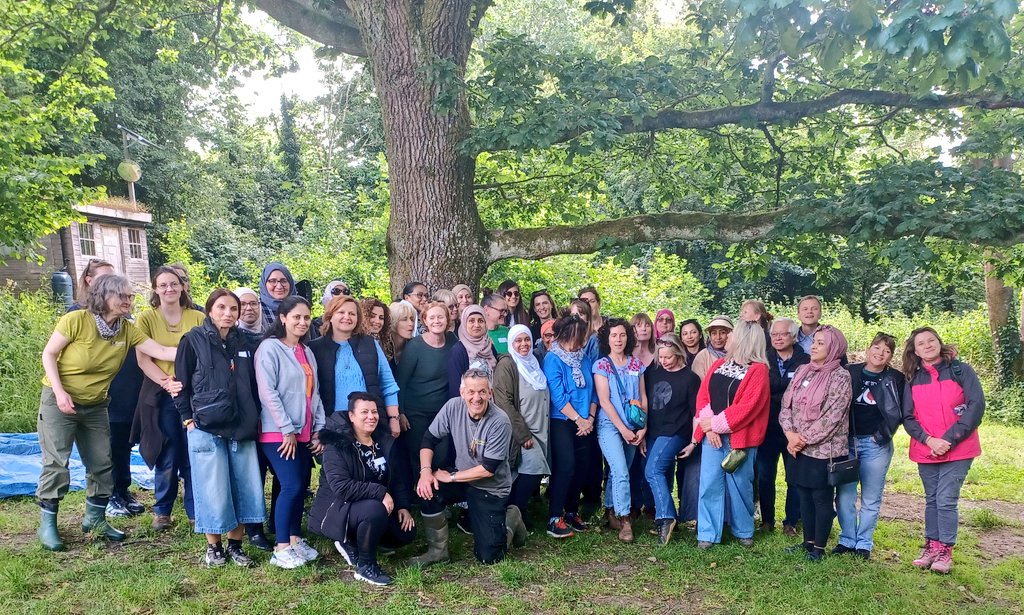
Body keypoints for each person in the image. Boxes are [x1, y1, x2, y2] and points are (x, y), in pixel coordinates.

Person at [36, 274, 176, 551]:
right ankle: (48, 524)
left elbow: (159, 350)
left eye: (130, 296)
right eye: (122, 296)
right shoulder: (76, 320)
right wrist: (60, 392)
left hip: (97, 404)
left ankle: (95, 519)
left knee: (102, 461)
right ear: (104, 296)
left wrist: (198, 343)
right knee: (57, 463)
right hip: (59, 400)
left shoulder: (126, 329)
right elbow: (49, 354)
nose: (128, 301)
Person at [174, 289, 265, 568]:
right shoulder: (192, 341)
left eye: (233, 309)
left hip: (241, 426)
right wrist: (188, 419)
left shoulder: (245, 342)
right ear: (210, 310)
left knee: (243, 486)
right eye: (222, 307)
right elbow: (181, 384)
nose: (228, 313)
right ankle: (214, 547)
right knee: (212, 488)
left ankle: (236, 545)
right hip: (205, 426)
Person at [411, 368, 524, 566]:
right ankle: (438, 551)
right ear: (462, 392)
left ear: (490, 393)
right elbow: (428, 440)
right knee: (426, 489)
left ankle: (511, 517)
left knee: (490, 557)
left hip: (490, 487)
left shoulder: (500, 421)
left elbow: (488, 468)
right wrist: (425, 472)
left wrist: (452, 477)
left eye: (482, 392)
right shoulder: (453, 406)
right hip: (462, 476)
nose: (476, 398)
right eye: (471, 392)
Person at [65, 259, 146, 519]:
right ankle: (107, 497)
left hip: (126, 386)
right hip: (99, 393)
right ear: (91, 283)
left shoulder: (124, 319)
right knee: (104, 447)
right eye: (107, 281)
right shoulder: (77, 315)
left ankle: (122, 491)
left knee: (122, 443)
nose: (121, 294)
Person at [310, 393, 416, 586]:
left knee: (405, 532)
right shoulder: (337, 444)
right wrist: (380, 493)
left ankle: (361, 541)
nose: (371, 417)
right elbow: (341, 487)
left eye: (374, 412)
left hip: (371, 506)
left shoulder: (382, 440)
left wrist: (403, 506)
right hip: (337, 509)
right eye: (364, 412)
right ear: (351, 416)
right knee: (375, 510)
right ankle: (366, 566)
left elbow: (397, 477)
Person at [901, 327, 984, 574]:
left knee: (946, 499)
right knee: (932, 499)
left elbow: (976, 406)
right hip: (926, 448)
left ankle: (945, 551)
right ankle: (931, 546)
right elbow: (908, 417)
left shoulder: (961, 371)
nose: (927, 345)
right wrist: (929, 440)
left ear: (939, 342)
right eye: (921, 343)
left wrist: (948, 439)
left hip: (958, 448)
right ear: (915, 351)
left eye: (931, 340)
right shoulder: (912, 378)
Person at [254, 296, 326, 569]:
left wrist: (318, 429)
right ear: (282, 318)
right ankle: (281, 546)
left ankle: (295, 539)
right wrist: (286, 430)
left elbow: (314, 394)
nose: (302, 322)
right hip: (278, 433)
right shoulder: (269, 349)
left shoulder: (306, 352)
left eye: (306, 317)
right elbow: (267, 393)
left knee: (300, 486)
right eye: (296, 317)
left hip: (304, 432)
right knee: (291, 485)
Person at [135, 266, 206, 531]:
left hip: (194, 394)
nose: (169, 289)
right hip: (161, 393)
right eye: (163, 285)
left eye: (174, 284)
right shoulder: (145, 319)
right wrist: (167, 382)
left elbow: (204, 355)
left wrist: (187, 384)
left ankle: (194, 510)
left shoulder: (198, 317)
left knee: (192, 452)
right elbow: (143, 359)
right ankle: (162, 511)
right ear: (155, 289)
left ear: (182, 287)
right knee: (167, 452)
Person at [692, 321, 770, 550]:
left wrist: (714, 425)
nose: (727, 337)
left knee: (740, 485)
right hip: (712, 437)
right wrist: (709, 428)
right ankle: (707, 533)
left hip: (740, 438)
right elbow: (703, 396)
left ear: (745, 339)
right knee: (709, 484)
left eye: (732, 333)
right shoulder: (718, 364)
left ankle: (743, 530)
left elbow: (747, 408)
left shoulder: (758, 370)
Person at [779, 326, 852, 561]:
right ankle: (807, 542)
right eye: (814, 342)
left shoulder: (841, 376)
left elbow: (832, 416)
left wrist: (802, 440)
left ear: (834, 348)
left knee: (821, 498)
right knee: (803, 494)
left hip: (823, 450)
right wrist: (790, 434)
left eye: (821, 343)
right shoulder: (803, 370)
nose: (814, 346)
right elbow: (786, 405)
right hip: (797, 446)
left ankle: (819, 548)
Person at [834, 332, 905, 560]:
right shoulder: (850, 371)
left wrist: (880, 436)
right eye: (877, 347)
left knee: (871, 497)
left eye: (886, 351)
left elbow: (899, 411)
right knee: (844, 495)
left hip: (876, 445)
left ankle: (863, 543)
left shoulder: (895, 378)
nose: (880, 353)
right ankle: (847, 539)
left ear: (891, 356)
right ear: (868, 348)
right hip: (847, 442)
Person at [310, 295, 400, 438]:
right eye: (341, 312)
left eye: (352, 314)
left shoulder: (370, 344)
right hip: (334, 426)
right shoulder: (314, 349)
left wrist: (394, 418)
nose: (347, 317)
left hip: (371, 425)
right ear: (330, 316)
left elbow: (388, 384)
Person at [593, 318, 647, 543]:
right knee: (621, 471)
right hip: (610, 426)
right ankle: (625, 520)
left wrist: (643, 427)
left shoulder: (636, 365)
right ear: (607, 338)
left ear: (628, 337)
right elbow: (604, 401)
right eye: (614, 335)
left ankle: (609, 511)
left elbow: (643, 397)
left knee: (618, 471)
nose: (618, 339)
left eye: (622, 335)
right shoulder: (601, 366)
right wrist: (623, 429)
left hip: (634, 427)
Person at [642, 333, 700, 544]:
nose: (664, 361)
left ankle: (666, 518)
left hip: (676, 432)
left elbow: (697, 413)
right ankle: (669, 518)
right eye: (661, 357)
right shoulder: (654, 371)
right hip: (654, 431)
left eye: (668, 357)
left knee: (653, 470)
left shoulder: (690, 378)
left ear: (678, 353)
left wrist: (694, 442)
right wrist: (643, 433)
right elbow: (644, 399)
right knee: (663, 474)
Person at [492, 325, 550, 529]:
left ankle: (515, 512)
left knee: (526, 473)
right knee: (532, 470)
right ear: (511, 343)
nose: (523, 344)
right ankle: (515, 511)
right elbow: (503, 402)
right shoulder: (508, 365)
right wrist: (522, 434)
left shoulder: (534, 362)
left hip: (540, 428)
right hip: (523, 431)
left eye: (527, 339)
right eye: (518, 340)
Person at [543, 315, 596, 539]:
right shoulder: (553, 358)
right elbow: (557, 395)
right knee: (566, 466)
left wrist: (590, 418)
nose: (581, 340)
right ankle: (555, 516)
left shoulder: (583, 357)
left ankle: (572, 511)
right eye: (578, 336)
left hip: (586, 420)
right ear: (566, 334)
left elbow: (593, 389)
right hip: (563, 420)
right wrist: (579, 420)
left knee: (582, 467)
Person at [395, 302, 457, 483]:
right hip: (416, 412)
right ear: (424, 321)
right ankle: (423, 497)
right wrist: (401, 413)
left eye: (440, 317)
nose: (437, 321)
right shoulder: (415, 346)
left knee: (441, 454)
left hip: (442, 412)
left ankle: (438, 495)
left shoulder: (453, 341)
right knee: (419, 456)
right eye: (432, 317)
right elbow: (401, 381)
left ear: (447, 320)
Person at [756, 317, 808, 536]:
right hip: (766, 426)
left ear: (793, 336)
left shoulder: (805, 360)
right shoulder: (763, 358)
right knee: (765, 476)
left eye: (782, 334)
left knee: (793, 477)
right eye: (774, 334)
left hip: (794, 429)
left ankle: (791, 522)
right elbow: (761, 390)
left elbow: (803, 393)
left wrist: (776, 390)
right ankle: (767, 520)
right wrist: (784, 389)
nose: (777, 338)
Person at [448, 305, 497, 398]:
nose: (477, 325)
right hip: (469, 407)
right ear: (464, 323)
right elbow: (455, 389)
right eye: (471, 321)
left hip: (491, 405)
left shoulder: (489, 346)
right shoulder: (458, 351)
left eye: (480, 321)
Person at [691, 315, 733, 380]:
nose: (718, 337)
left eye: (723, 333)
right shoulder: (702, 356)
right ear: (710, 336)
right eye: (714, 333)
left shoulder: (738, 355)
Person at [259, 262, 297, 328]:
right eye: (273, 281)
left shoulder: (299, 307)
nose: (279, 286)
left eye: (284, 281)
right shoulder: (256, 309)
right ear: (264, 284)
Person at [387, 301, 417, 365]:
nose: (411, 324)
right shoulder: (383, 346)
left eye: (412, 319)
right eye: (404, 319)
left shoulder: (416, 345)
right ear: (394, 321)